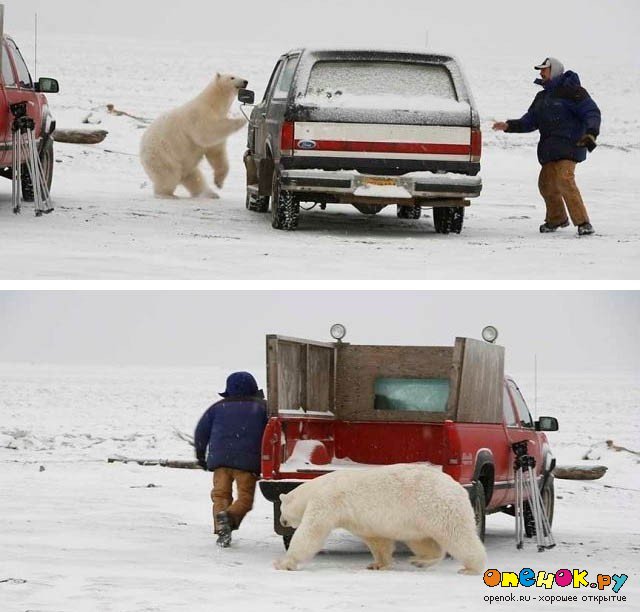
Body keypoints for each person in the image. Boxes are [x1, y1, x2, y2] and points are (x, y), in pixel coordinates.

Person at [492, 57, 601, 236]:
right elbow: (530, 121)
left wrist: (591, 132)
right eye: (540, 70)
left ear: (555, 71)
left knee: (564, 179)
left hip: (571, 145)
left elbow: (592, 112)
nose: (541, 73)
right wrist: (509, 126)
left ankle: (583, 223)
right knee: (545, 185)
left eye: (545, 69)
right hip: (550, 149)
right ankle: (557, 218)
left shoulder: (574, 92)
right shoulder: (542, 97)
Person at [194, 371, 268, 548]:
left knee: (220, 495)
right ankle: (229, 518)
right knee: (245, 498)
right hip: (247, 463)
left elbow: (201, 432)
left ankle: (221, 528)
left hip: (220, 461)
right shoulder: (263, 408)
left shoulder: (217, 407)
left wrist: (200, 455)